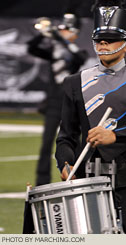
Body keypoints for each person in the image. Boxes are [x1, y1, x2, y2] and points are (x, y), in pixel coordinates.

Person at [55, 0, 126, 234]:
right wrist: (65, 162)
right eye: (99, 39)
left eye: (111, 39)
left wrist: (114, 135)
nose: (103, 43)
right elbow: (66, 135)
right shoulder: (75, 82)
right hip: (86, 175)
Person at [27, 13, 88, 186]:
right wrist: (44, 32)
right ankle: (42, 182)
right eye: (61, 29)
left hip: (71, 103)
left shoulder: (75, 51)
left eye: (66, 30)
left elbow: (79, 58)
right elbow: (31, 48)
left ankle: (77, 177)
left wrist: (61, 40)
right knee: (46, 144)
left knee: (74, 142)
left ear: (74, 34)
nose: (62, 32)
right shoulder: (53, 53)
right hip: (53, 104)